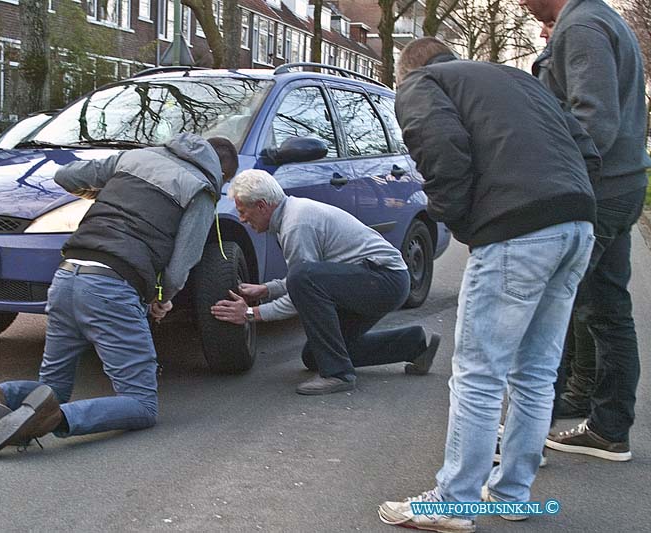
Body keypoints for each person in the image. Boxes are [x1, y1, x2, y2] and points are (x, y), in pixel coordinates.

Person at [377, 38, 598, 532]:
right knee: (537, 371)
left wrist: (467, 228)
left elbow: (442, 153)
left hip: (516, 229)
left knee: (479, 372)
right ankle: (512, 493)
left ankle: (453, 502)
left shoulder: (421, 84)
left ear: (405, 70)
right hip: (576, 222)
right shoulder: (518, 79)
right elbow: (587, 149)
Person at [0, 133, 239, 459]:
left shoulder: (135, 158)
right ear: (221, 173)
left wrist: (102, 191)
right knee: (141, 403)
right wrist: (163, 297)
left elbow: (66, 176)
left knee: (55, 389)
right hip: (112, 285)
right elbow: (181, 264)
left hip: (65, 277)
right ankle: (55, 419)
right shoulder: (201, 190)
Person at [520, 0, 651, 459]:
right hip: (622, 184)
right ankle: (609, 428)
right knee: (606, 308)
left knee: (549, 310)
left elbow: (594, 120)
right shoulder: (598, 18)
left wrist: (552, 185)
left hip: (595, 192)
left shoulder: (582, 25)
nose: (518, 2)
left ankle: (524, 439)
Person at [210, 169, 441, 396]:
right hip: (376, 279)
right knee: (314, 356)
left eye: (243, 211)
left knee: (304, 282)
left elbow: (302, 288)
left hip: (385, 279)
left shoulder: (296, 224)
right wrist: (267, 290)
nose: (241, 218)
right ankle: (414, 345)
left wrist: (251, 314)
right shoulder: (291, 214)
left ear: (261, 205)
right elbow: (309, 278)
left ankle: (339, 375)